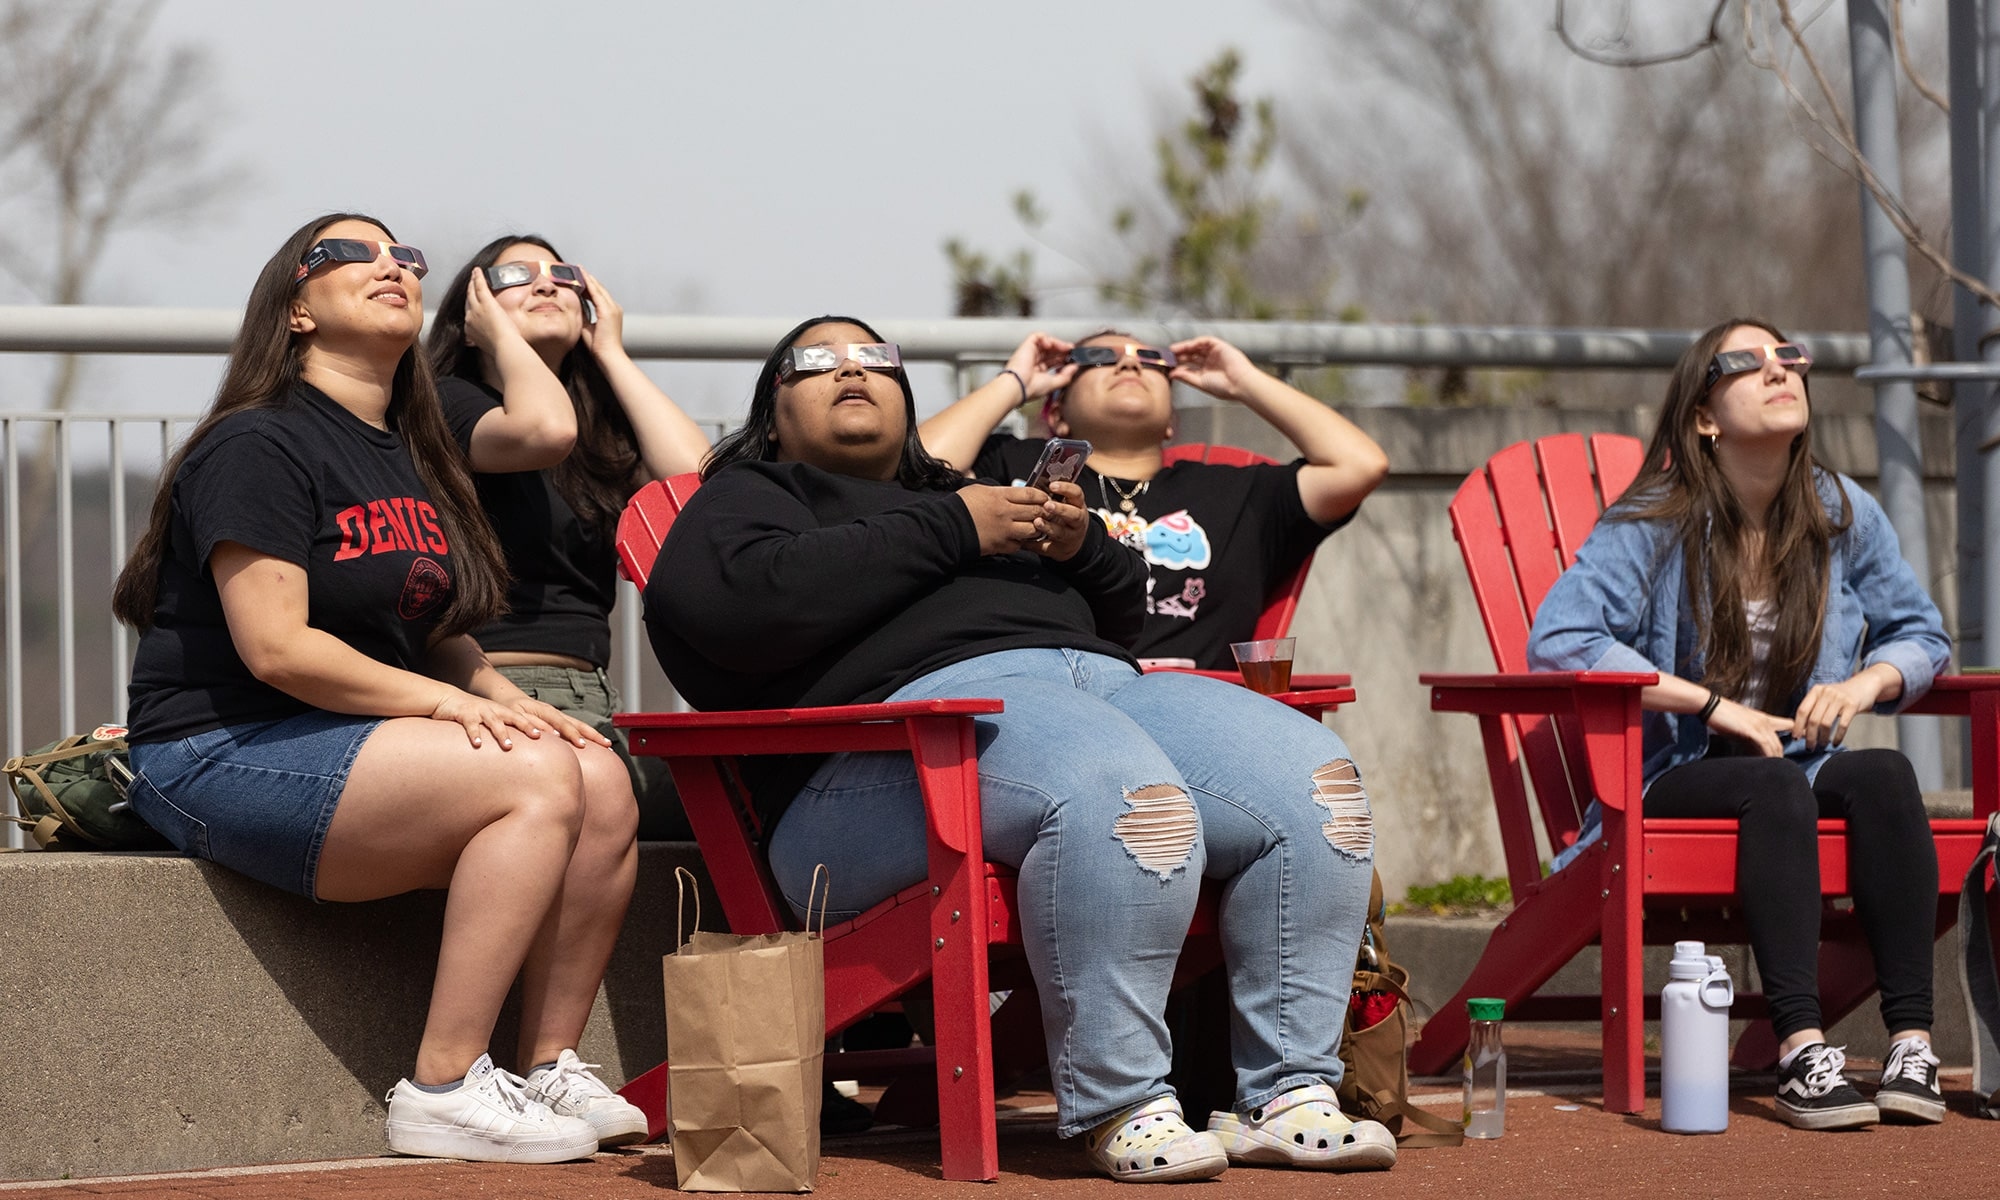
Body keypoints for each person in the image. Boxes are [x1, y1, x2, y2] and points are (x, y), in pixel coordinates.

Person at [645, 316, 1397, 1183]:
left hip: (1106, 695)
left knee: (1315, 786)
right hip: (890, 758)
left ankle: (1287, 1091)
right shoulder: (754, 499)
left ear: (906, 396)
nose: (851, 371)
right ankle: (1123, 1100)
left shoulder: (968, 497)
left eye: (875, 360)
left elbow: (1123, 619)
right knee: (1118, 790)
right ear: (773, 413)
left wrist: (1084, 551)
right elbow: (726, 608)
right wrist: (954, 530)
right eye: (817, 362)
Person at [110, 214, 646, 1162]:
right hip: (219, 746)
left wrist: (498, 690)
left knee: (596, 774)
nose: (388, 265)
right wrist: (455, 705)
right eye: (349, 254)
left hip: (337, 741)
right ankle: (442, 1088)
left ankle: (547, 1067)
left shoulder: (410, 450)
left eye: (403, 255)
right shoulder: (259, 442)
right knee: (533, 779)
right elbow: (278, 649)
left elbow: (431, 625)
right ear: (297, 309)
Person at [1528, 317, 1952, 1131]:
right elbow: (1561, 638)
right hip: (1674, 772)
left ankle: (1911, 1046)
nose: (1779, 370)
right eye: (1746, 363)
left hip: (1794, 761)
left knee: (1886, 776)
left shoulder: (1839, 511)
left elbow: (1922, 635)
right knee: (1770, 786)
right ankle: (1801, 1050)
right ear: (1704, 417)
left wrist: (1865, 685)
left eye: (1789, 356)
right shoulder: (1657, 518)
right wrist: (1711, 704)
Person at [426, 235, 710, 836]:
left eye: (563, 274)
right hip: (486, 687)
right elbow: (541, 430)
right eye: (517, 276)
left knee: (718, 800)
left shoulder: (596, 431)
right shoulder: (449, 404)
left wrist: (610, 354)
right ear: (472, 307)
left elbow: (696, 481)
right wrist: (498, 342)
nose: (549, 283)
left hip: (592, 697)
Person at [919, 330, 1388, 668]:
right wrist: (1014, 382)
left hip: (1194, 714)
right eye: (1099, 356)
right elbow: (916, 471)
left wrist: (1244, 382)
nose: (1129, 364)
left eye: (1149, 359)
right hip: (1052, 699)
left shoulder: (1237, 494)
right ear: (1056, 413)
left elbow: (1360, 465)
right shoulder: (1011, 466)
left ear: (1170, 424)